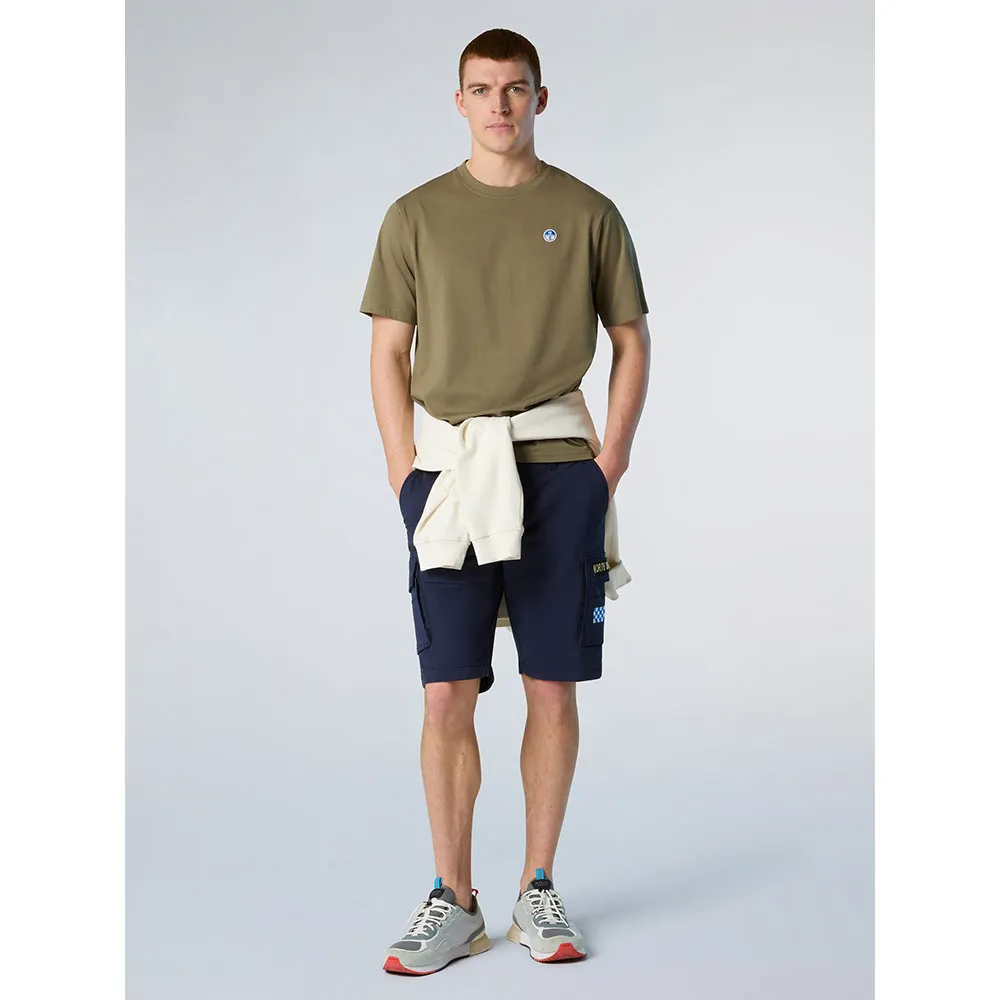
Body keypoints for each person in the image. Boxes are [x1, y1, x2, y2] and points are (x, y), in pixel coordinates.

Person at [360, 27, 651, 975]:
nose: (499, 105)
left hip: (559, 471)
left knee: (550, 683)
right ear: (459, 102)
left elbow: (631, 339)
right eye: (482, 90)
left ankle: (537, 886)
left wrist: (608, 462)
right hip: (449, 476)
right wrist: (405, 473)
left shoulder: (589, 212)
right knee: (447, 688)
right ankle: (454, 898)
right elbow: (389, 353)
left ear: (540, 98)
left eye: (515, 89)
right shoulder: (414, 216)